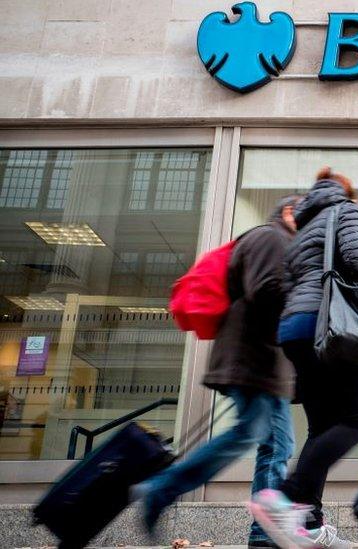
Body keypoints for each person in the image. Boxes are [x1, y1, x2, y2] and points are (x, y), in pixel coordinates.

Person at [134, 194, 304, 549]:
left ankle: (263, 533)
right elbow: (267, 294)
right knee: (250, 435)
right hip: (252, 360)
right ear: (289, 212)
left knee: (277, 445)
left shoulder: (278, 242)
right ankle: (160, 489)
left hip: (263, 364)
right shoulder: (271, 237)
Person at [250, 167, 358, 549]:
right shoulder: (346, 211)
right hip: (331, 330)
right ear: (347, 191)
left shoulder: (301, 229)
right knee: (357, 421)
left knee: (322, 428)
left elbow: (290, 284)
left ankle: (308, 522)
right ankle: (285, 497)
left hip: (295, 330)